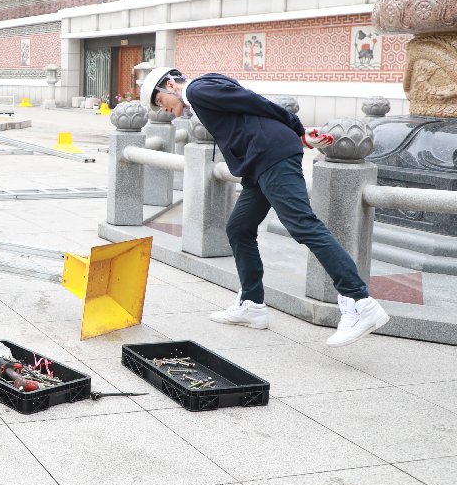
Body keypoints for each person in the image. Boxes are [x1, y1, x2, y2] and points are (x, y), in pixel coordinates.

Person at [141, 66, 391, 347]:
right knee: (239, 228)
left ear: (171, 85)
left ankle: (360, 302)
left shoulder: (198, 90)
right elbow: (248, 112)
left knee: (303, 225)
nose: (165, 111)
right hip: (259, 163)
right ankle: (252, 304)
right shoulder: (201, 94)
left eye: (161, 102)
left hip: (271, 156)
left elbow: (255, 101)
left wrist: (296, 130)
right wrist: (298, 134)